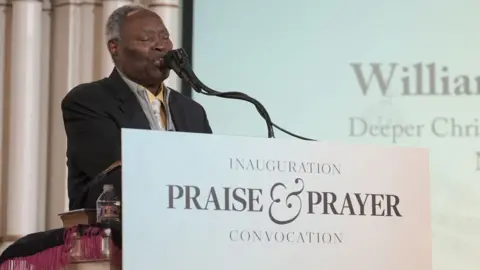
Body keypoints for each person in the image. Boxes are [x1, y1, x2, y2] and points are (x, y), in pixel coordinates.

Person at [61, 4, 212, 210]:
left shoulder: (192, 111)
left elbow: (210, 176)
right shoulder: (88, 101)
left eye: (165, 36)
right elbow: (118, 175)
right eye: (147, 39)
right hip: (115, 231)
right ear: (115, 47)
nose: (162, 46)